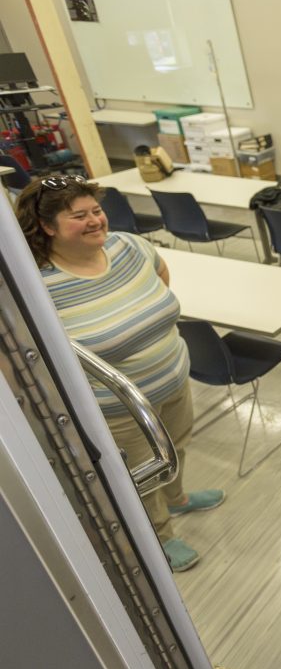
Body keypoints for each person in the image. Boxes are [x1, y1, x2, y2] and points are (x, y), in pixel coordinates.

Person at [16, 175, 224, 573]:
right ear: (47, 226)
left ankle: (177, 498)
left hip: (174, 377)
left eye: (96, 210)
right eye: (79, 216)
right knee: (142, 471)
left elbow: (161, 278)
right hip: (119, 408)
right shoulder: (41, 286)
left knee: (176, 447)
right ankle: (159, 534)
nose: (95, 220)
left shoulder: (129, 246)